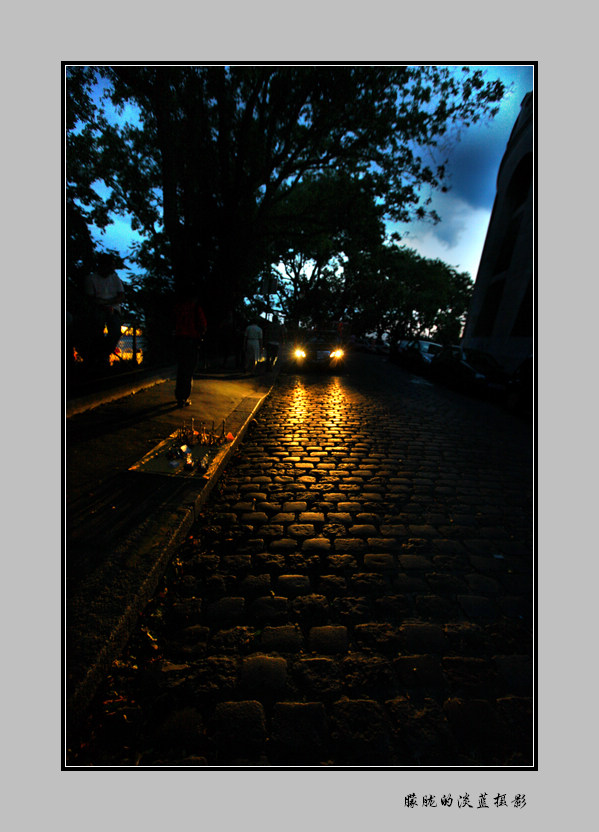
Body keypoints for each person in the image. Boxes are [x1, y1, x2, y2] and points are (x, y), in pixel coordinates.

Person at [83, 254, 125, 367]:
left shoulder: (114, 278)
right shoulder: (91, 279)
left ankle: (103, 354)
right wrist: (107, 304)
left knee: (116, 332)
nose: (113, 268)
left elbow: (121, 295)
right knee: (97, 327)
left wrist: (108, 304)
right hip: (99, 308)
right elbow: (91, 299)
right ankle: (100, 357)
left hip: (112, 308)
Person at [173, 289, 207, 407]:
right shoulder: (196, 308)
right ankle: (184, 397)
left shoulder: (180, 307)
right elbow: (203, 325)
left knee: (181, 369)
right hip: (191, 341)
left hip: (179, 340)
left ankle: (179, 395)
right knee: (189, 370)